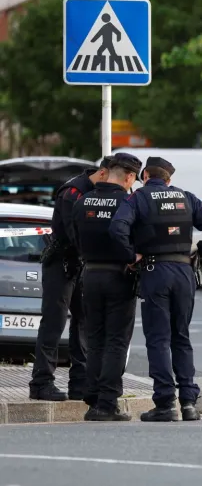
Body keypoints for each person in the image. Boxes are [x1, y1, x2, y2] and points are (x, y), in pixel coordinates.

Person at [109, 157, 202, 422]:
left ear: (145, 176)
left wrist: (130, 256)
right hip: (184, 272)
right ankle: (188, 403)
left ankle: (164, 404)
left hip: (154, 272)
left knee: (159, 339)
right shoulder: (186, 198)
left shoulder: (139, 198)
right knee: (181, 337)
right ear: (168, 179)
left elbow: (118, 227)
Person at [28, 156, 112, 401]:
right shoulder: (73, 192)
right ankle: (41, 382)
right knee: (54, 323)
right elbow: (75, 232)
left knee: (83, 323)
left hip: (80, 264)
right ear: (104, 173)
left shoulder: (94, 193)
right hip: (61, 264)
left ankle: (80, 383)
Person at [72, 153, 141, 421]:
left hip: (89, 274)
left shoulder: (83, 200)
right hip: (119, 275)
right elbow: (135, 238)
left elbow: (74, 236)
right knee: (116, 340)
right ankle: (107, 402)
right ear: (129, 177)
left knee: (94, 339)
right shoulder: (128, 202)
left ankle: (93, 398)